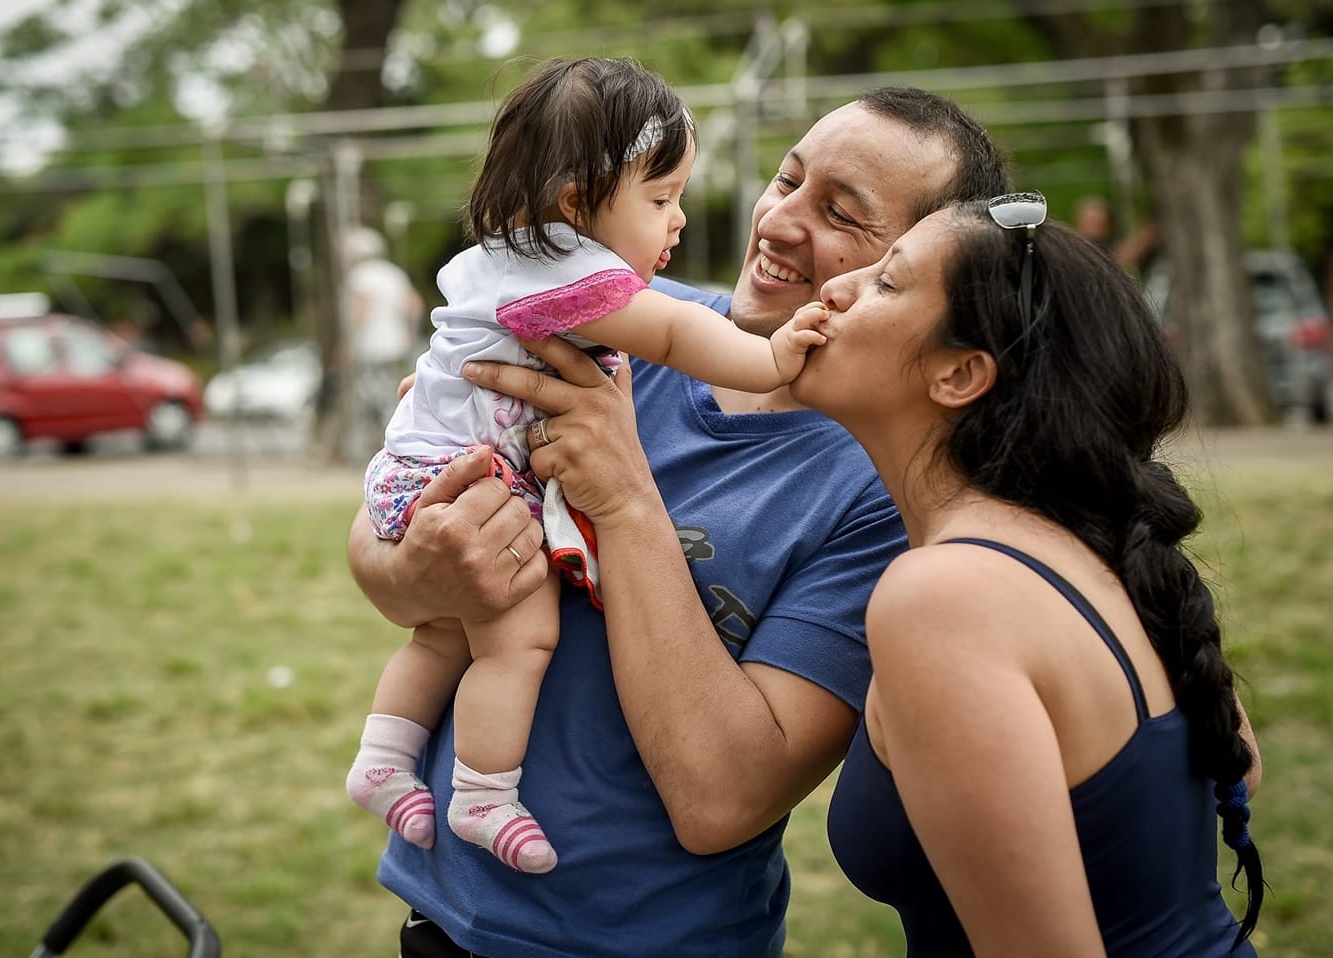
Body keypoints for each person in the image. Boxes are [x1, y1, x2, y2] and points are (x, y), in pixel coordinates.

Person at [346, 82, 1011, 958]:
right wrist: (414, 569)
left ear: (929, 273)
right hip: (441, 919)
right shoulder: (619, 323)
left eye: (842, 215)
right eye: (787, 179)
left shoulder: (890, 502)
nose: (776, 221)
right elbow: (389, 520)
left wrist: (624, 501)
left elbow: (721, 802)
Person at [347, 57, 825, 877]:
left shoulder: (515, 259)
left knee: (446, 633)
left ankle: (384, 759)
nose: (677, 221)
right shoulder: (579, 282)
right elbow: (677, 337)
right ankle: (483, 794)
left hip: (414, 468)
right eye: (660, 199)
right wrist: (776, 354)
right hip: (454, 480)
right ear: (576, 206)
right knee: (520, 633)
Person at [781, 194, 1262, 955]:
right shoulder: (1096, 548)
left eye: (886, 282)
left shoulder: (947, 598)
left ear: (960, 374)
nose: (836, 287)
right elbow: (1237, 770)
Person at [343, 226, 425, 437]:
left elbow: (362, 312)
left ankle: (385, 436)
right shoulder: (393, 273)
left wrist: (348, 342)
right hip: (397, 345)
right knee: (390, 391)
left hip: (372, 347)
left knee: (371, 394)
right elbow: (414, 304)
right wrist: (411, 334)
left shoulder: (360, 275)